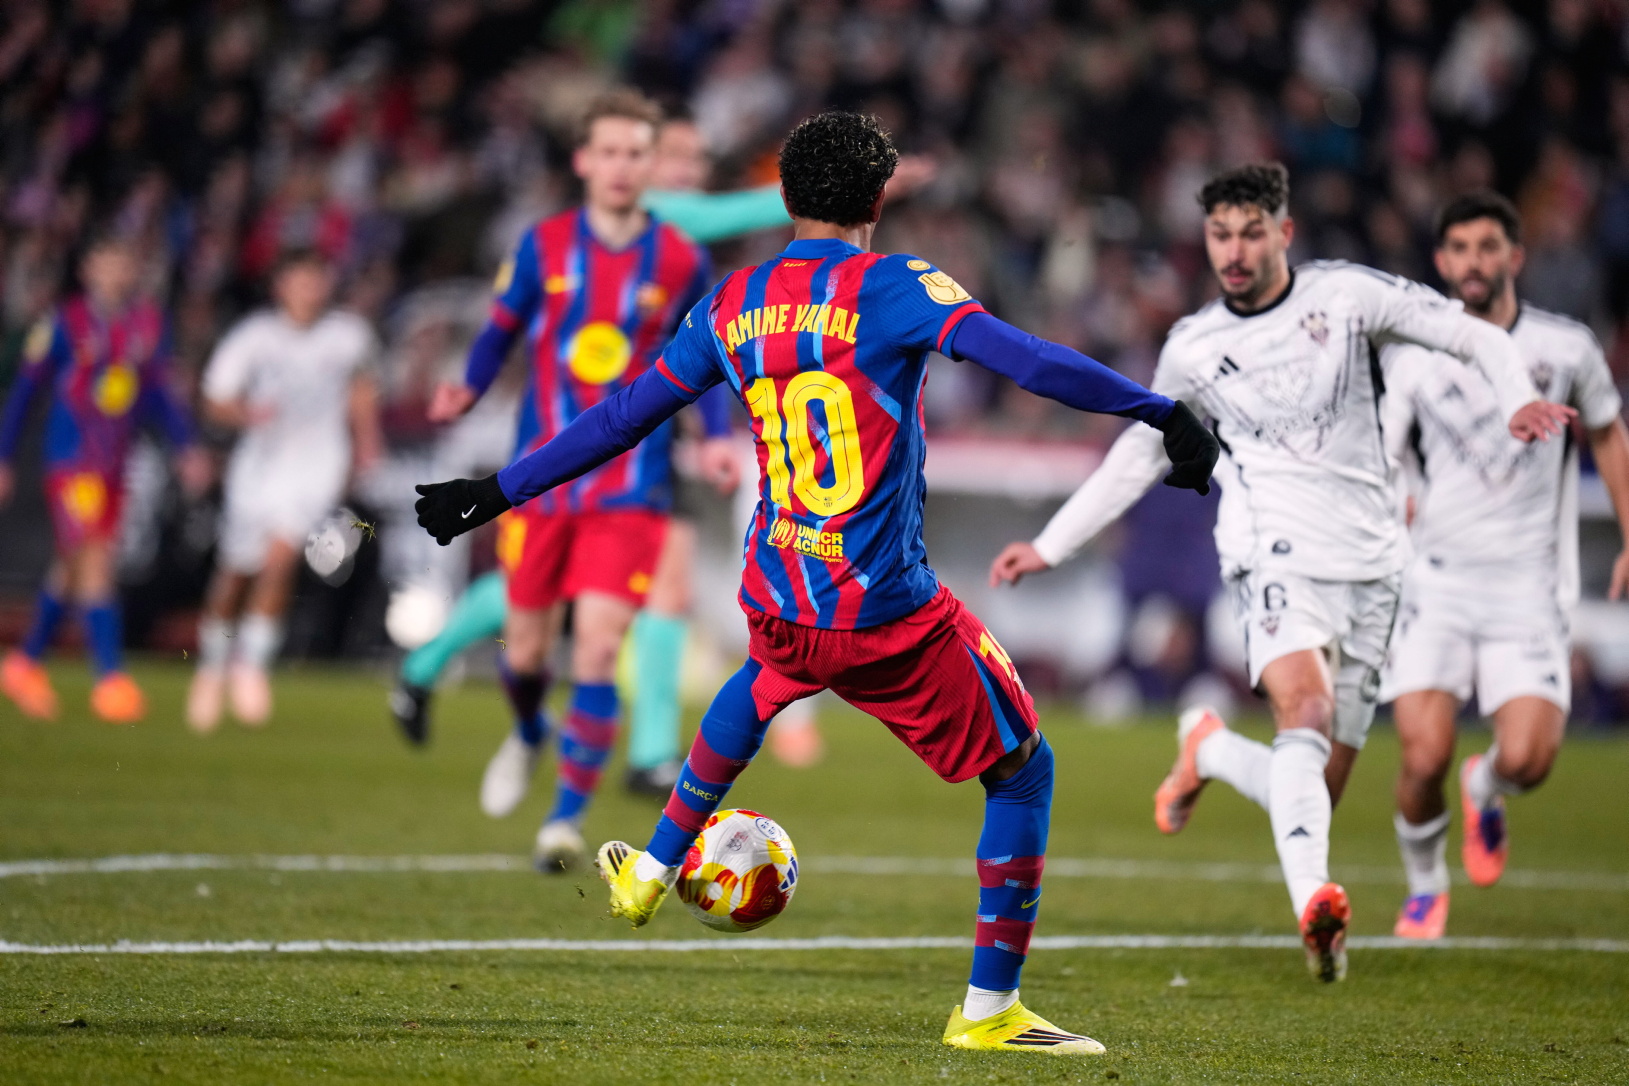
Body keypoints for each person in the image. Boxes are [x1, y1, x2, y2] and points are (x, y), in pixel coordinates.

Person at [415, 110, 1220, 1055]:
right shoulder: (897, 287)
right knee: (1023, 767)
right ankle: (989, 1008)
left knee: (761, 682)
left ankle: (653, 868)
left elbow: (626, 414)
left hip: (780, 585)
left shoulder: (732, 298)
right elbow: (1028, 360)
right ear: (878, 199)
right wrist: (1158, 409)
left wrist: (494, 492)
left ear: (786, 195)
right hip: (883, 607)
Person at [988, 163, 1573, 983]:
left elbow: (1469, 332)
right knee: (1305, 709)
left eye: (1250, 232)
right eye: (1220, 233)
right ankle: (1315, 904)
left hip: (1371, 564)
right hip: (1269, 551)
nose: (1233, 249)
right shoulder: (1193, 348)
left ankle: (1210, 749)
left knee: (1313, 788)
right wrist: (1052, 543)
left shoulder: (1345, 298)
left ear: (1283, 234)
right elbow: (1142, 447)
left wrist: (1513, 395)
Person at [423, 90, 723, 872]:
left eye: (636, 153)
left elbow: (711, 363)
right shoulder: (543, 246)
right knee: (524, 656)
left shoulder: (683, 260)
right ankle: (527, 731)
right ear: (583, 160)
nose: (623, 167)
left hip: (632, 488)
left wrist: (718, 441)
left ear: (653, 165)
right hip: (540, 485)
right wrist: (467, 386)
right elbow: (499, 329)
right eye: (610, 152)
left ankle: (563, 821)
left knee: (595, 650)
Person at [1379, 192, 1629, 939]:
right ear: (1440, 262)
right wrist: (1399, 500)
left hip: (1527, 590)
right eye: (1458, 249)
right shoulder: (1415, 352)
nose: (1473, 262)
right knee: (1421, 756)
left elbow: (1609, 435)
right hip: (1437, 581)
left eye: (1487, 247)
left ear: (1514, 257)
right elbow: (1385, 453)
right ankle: (1424, 886)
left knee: (1527, 759)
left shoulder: (1565, 348)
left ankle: (1484, 788)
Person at [0, 234, 207, 724]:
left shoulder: (147, 325)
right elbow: (24, 392)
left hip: (115, 463)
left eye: (123, 263)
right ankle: (110, 679)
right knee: (96, 558)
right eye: (106, 263)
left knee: (69, 568)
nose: (116, 273)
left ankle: (25, 663)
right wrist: (4, 456)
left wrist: (186, 446)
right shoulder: (63, 323)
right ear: (87, 269)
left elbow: (158, 392)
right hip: (71, 461)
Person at [187, 248, 382, 731]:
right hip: (259, 468)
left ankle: (251, 665)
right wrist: (247, 415)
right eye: (298, 280)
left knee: (280, 561)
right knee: (235, 573)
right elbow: (215, 400)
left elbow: (361, 392)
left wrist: (368, 444)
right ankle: (212, 667)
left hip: (316, 467)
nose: (308, 289)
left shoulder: (348, 336)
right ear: (281, 286)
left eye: (315, 279)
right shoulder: (255, 338)